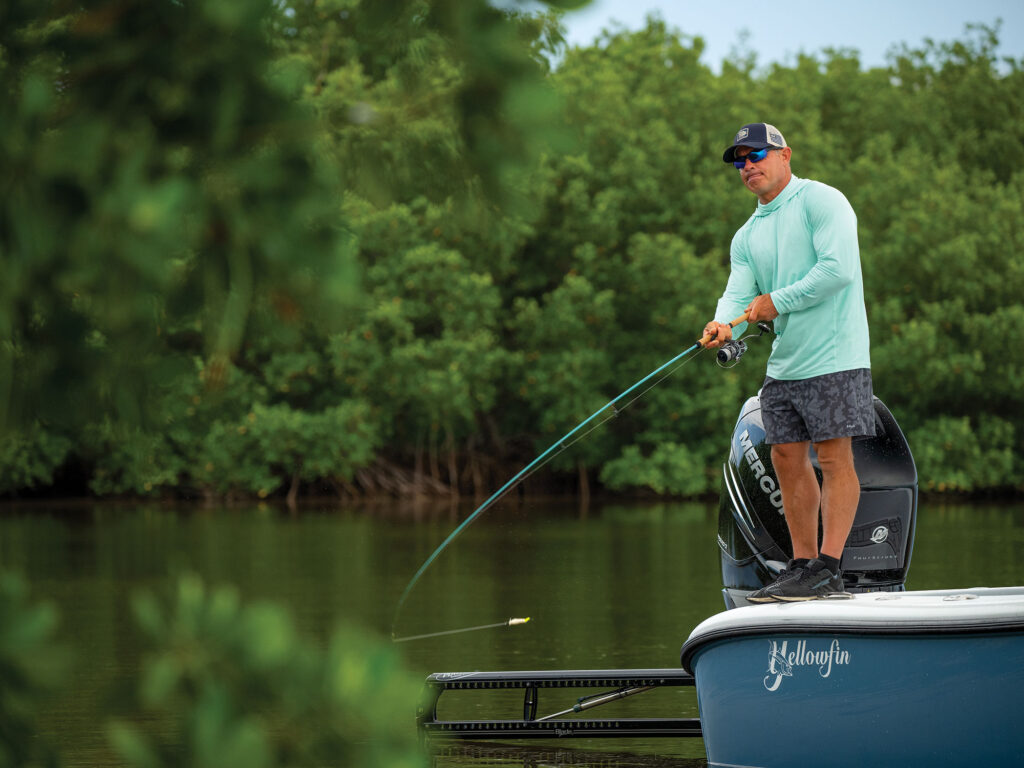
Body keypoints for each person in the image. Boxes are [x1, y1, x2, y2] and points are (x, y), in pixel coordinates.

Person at [703, 123, 873, 602]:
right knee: (784, 458)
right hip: (786, 365)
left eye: (755, 154)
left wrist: (777, 301)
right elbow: (738, 293)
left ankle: (830, 569)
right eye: (739, 160)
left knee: (835, 458)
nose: (748, 165)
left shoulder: (821, 201)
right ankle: (802, 567)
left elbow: (837, 270)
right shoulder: (747, 235)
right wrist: (723, 325)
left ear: (784, 154)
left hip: (836, 356)